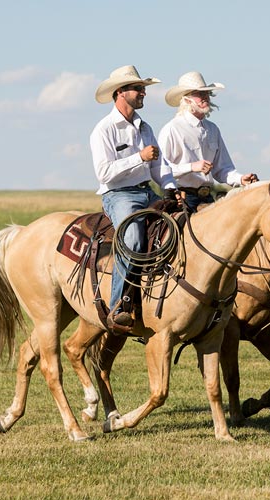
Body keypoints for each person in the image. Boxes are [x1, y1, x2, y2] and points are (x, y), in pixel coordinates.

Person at [90, 65, 181, 333]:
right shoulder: (103, 130)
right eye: (138, 89)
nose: (143, 93)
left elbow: (160, 166)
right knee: (133, 240)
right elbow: (104, 172)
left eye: (143, 88)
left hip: (147, 192)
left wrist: (171, 187)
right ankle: (119, 305)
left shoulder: (145, 127)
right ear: (120, 93)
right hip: (119, 195)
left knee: (181, 226)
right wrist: (138, 158)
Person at [158, 71, 258, 212]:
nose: (205, 97)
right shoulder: (172, 129)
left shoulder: (212, 129)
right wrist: (192, 167)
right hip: (181, 199)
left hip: (207, 198)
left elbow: (223, 169)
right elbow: (161, 169)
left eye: (206, 93)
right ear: (187, 100)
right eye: (199, 94)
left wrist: (241, 179)